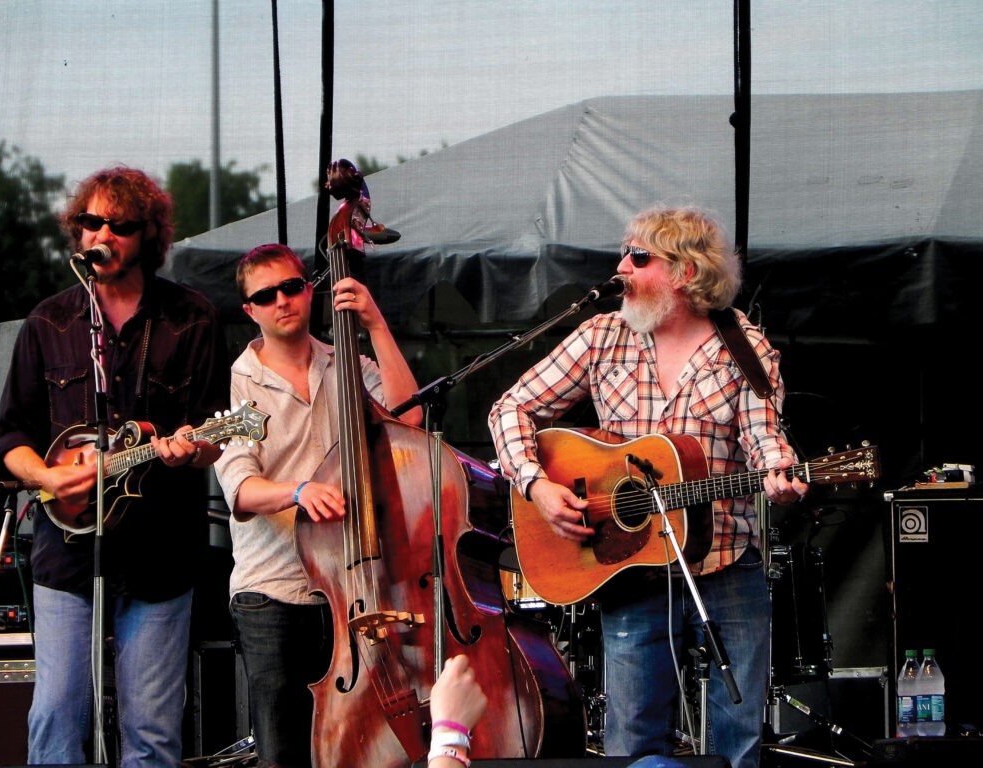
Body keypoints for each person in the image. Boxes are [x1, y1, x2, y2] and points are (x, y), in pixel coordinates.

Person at [489, 205, 807, 768]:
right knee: (632, 738)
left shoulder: (743, 346)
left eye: (639, 257)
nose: (622, 267)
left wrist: (781, 473)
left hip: (725, 560)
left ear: (686, 272)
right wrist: (537, 485)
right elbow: (510, 408)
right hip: (629, 565)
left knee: (739, 736)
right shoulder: (601, 336)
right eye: (626, 252)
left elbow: (765, 439)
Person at [0, 167, 229, 767]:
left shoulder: (192, 316)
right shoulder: (48, 321)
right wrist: (46, 477)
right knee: (55, 715)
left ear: (145, 235)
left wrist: (193, 448)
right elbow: (13, 437)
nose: (103, 234)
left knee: (151, 730)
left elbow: (213, 435)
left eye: (119, 226)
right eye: (91, 222)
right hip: (66, 550)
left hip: (159, 552)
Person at [214, 243, 421, 768]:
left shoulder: (343, 362)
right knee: (282, 751)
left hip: (352, 586)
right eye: (267, 295)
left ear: (311, 290)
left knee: (357, 746)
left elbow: (409, 417)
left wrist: (374, 323)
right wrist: (300, 491)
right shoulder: (239, 382)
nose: (282, 300)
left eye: (292, 286)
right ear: (251, 311)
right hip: (273, 590)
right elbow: (240, 487)